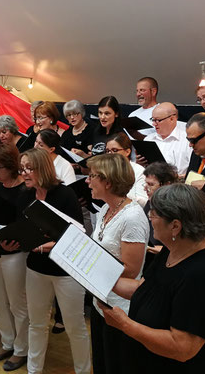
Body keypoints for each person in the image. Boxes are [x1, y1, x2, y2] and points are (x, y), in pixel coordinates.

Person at [101, 183, 205, 373]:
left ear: (175, 226)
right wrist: (101, 278)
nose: (149, 218)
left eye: (154, 215)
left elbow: (182, 348)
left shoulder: (203, 275)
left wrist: (125, 325)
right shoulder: (172, 248)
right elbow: (146, 291)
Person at [17, 148, 91, 374]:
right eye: (22, 169)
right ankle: (34, 370)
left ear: (43, 168)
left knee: (74, 326)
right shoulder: (26, 195)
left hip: (65, 271)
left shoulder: (64, 195)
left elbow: (77, 236)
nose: (24, 173)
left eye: (29, 168)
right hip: (36, 267)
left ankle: (83, 370)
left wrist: (40, 244)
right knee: (36, 323)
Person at [86, 153, 149, 374]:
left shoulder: (132, 217)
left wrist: (87, 265)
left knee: (117, 365)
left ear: (108, 182)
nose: (87, 181)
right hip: (99, 301)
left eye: (92, 176)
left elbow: (131, 271)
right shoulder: (105, 208)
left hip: (120, 308)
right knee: (101, 364)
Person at [0, 144, 29, 371]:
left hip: (14, 255)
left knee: (17, 304)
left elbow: (24, 226)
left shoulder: (24, 191)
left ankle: (21, 350)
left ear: (11, 167)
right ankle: (7, 342)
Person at [142, 162, 179, 267]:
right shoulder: (151, 201)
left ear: (167, 184)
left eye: (151, 184)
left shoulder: (176, 209)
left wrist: (164, 250)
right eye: (146, 183)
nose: (145, 188)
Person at [141, 102, 192, 176]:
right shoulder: (149, 139)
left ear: (172, 119)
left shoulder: (187, 140)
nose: (154, 124)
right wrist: (140, 163)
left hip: (177, 184)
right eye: (153, 120)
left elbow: (194, 170)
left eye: (158, 120)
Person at [105, 132, 148, 206]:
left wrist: (118, 195)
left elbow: (144, 202)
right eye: (108, 151)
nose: (110, 154)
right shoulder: (104, 171)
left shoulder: (138, 171)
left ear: (127, 151)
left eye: (114, 150)